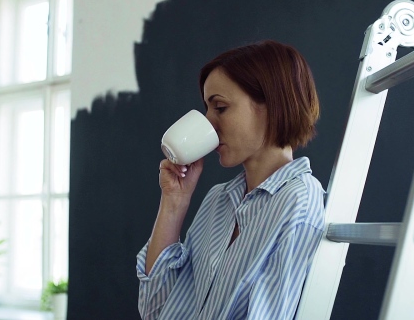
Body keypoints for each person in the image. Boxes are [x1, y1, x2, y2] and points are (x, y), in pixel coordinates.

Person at [136, 39, 325, 320]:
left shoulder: (299, 201)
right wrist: (174, 202)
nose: (208, 122)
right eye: (207, 109)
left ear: (273, 104)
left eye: (220, 107)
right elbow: (155, 309)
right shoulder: (218, 200)